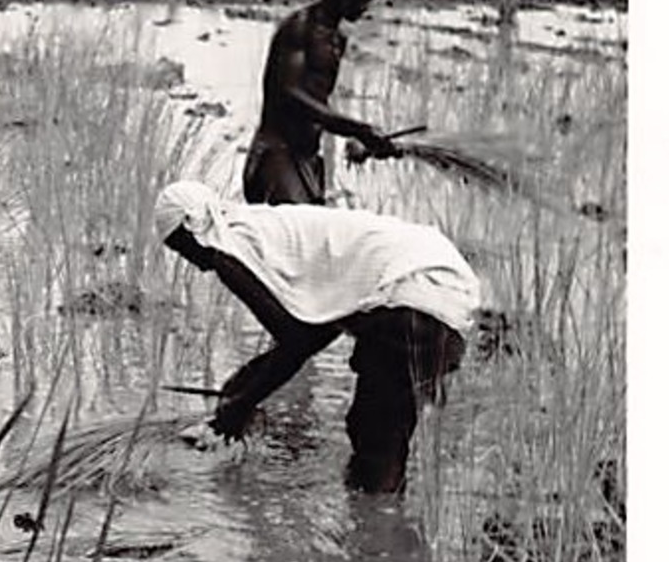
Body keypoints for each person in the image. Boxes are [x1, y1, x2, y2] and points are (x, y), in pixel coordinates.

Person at [154, 180, 479, 494]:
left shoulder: (226, 249)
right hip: (443, 289)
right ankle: (384, 531)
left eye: (180, 247)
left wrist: (238, 407)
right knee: (381, 432)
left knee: (374, 441)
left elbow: (297, 343)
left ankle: (374, 531)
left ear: (192, 223)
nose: (193, 264)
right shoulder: (264, 225)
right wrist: (248, 384)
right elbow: (317, 327)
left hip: (413, 294)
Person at [245, 0, 400, 205]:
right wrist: (359, 129)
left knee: (315, 239)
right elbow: (290, 95)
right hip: (277, 155)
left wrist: (356, 139)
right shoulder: (299, 28)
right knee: (299, 236)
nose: (365, 8)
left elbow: (318, 100)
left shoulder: (337, 39)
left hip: (308, 160)